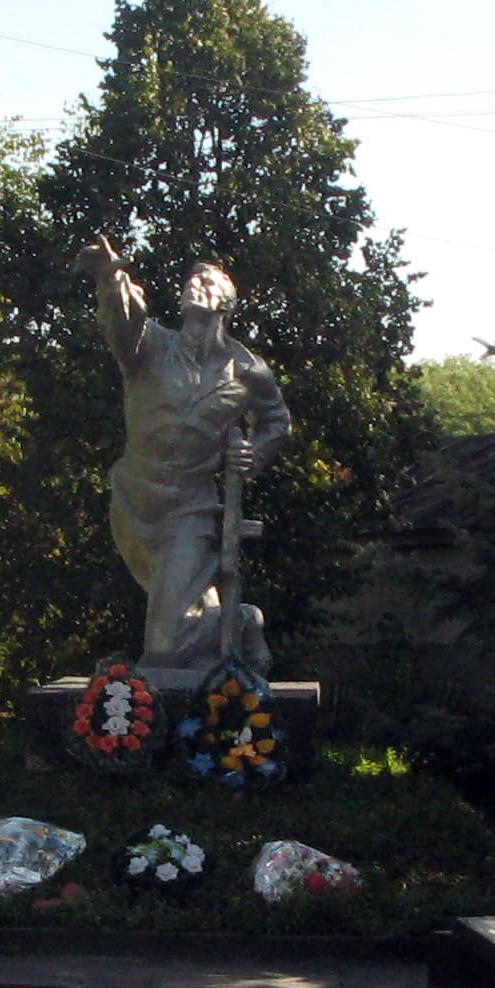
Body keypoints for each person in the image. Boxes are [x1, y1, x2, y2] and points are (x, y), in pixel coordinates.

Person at [75, 236, 292, 670]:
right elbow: (122, 320)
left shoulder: (248, 370)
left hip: (188, 505)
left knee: (163, 649)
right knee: (171, 614)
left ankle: (239, 620)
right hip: (134, 497)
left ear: (226, 303)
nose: (195, 285)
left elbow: (276, 422)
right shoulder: (150, 346)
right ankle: (225, 620)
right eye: (191, 280)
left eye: (207, 282)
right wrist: (111, 276)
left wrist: (255, 454)